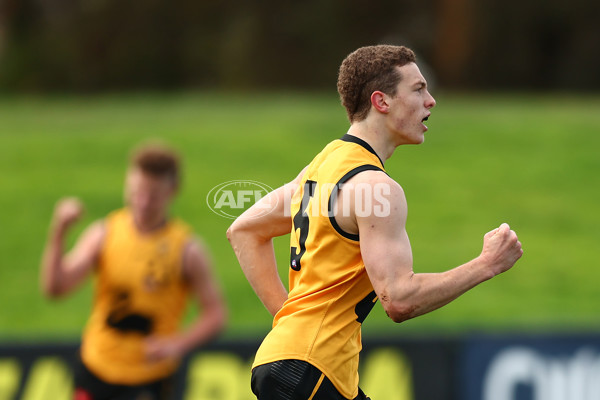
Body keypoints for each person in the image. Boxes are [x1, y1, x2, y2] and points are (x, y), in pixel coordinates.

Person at [227, 44, 523, 400]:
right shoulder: (377, 188)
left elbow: (244, 230)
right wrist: (486, 265)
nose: (431, 101)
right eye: (418, 89)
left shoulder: (322, 166)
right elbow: (399, 299)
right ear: (381, 101)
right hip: (310, 369)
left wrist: (288, 323)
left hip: (292, 362)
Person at [40, 143, 227, 400]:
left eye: (153, 194)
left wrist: (178, 344)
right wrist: (59, 230)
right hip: (96, 366)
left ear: (172, 191)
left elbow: (216, 314)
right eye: (136, 191)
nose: (143, 202)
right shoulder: (104, 234)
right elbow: (55, 289)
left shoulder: (186, 249)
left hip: (150, 377)